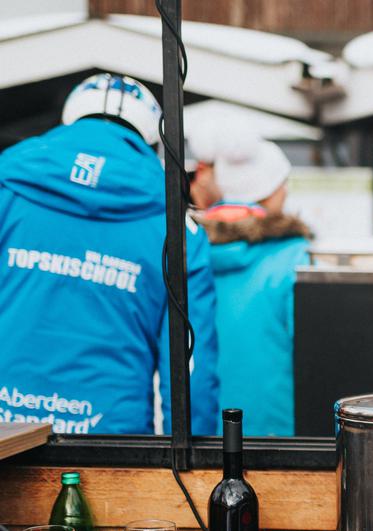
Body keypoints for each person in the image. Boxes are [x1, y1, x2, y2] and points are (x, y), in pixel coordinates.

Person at [0, 73, 219, 435]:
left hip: (5, 431)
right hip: (112, 448)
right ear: (151, 143)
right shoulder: (176, 228)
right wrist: (194, 470)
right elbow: (190, 369)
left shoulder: (8, 188)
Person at [197, 134, 311, 436]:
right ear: (272, 191)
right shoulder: (294, 257)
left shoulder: (189, 249)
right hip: (277, 435)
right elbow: (313, 353)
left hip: (203, 430)